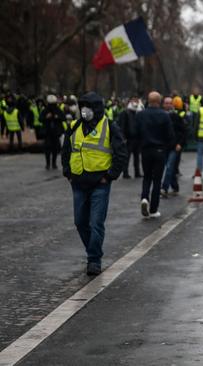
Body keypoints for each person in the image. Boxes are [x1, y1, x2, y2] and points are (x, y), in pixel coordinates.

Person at [61, 92, 128, 275]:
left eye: (88, 106)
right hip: (78, 182)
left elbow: (121, 152)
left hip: (100, 183)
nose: (84, 110)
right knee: (80, 222)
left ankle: (94, 259)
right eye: (82, 106)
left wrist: (110, 175)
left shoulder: (109, 126)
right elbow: (66, 150)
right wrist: (68, 172)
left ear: (96, 108)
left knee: (96, 222)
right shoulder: (74, 126)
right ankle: (93, 251)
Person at [136, 91, 175, 218]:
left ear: (148, 100)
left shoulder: (141, 115)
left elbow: (136, 131)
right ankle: (153, 209)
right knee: (157, 180)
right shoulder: (164, 115)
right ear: (159, 101)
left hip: (145, 149)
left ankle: (144, 197)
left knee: (146, 176)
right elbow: (170, 135)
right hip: (159, 150)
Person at [161, 96, 187, 197]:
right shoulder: (160, 116)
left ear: (172, 105)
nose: (168, 105)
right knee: (169, 168)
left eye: (169, 103)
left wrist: (180, 144)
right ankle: (175, 187)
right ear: (163, 104)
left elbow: (183, 132)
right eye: (166, 103)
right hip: (163, 146)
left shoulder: (176, 117)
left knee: (169, 167)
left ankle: (164, 188)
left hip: (174, 146)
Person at [117, 97, 143, 178]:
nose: (135, 102)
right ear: (130, 102)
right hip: (128, 138)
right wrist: (123, 137)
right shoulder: (125, 112)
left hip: (137, 138)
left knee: (137, 157)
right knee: (127, 157)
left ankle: (137, 172)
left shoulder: (139, 112)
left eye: (137, 100)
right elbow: (122, 126)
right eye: (134, 100)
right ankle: (125, 173)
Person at [40, 95, 65, 169]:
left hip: (56, 132)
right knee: (47, 148)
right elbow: (40, 118)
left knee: (55, 148)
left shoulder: (58, 109)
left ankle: (54, 163)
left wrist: (57, 117)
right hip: (47, 132)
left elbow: (63, 118)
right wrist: (46, 117)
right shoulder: (45, 110)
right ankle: (48, 164)